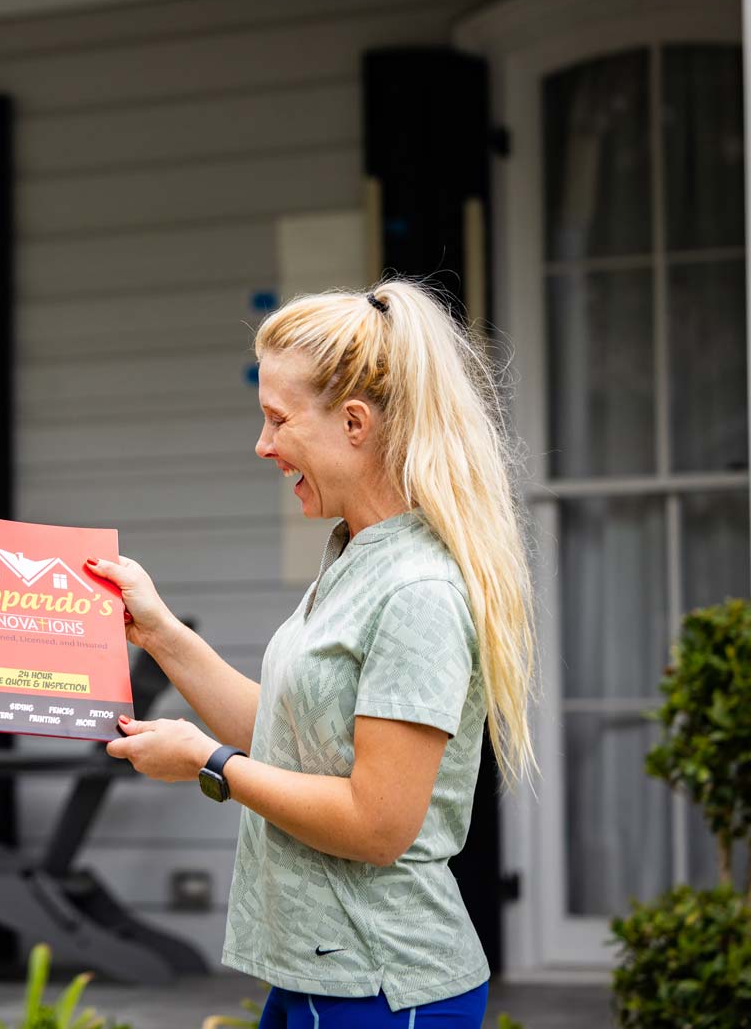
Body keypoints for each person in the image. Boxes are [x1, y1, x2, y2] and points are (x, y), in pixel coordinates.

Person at [90, 280, 535, 1028]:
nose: (263, 445)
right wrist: (159, 632)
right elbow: (297, 739)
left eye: (276, 419)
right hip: (321, 970)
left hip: (385, 984)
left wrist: (209, 763)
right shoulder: (355, 554)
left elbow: (377, 822)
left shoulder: (416, 589)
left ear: (355, 423)